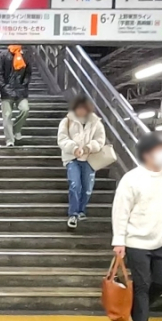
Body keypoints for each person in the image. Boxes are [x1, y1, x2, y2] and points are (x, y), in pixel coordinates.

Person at [112, 133, 162, 321]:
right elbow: (121, 211)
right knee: (142, 285)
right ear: (148, 154)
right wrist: (119, 240)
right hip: (136, 241)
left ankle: (137, 308)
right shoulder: (132, 179)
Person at [57, 95, 106, 229]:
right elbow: (62, 139)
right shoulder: (67, 121)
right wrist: (73, 148)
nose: (81, 111)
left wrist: (88, 148)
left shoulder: (96, 122)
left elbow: (100, 140)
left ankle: (81, 210)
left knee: (87, 187)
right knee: (75, 185)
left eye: (83, 108)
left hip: (89, 159)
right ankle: (73, 214)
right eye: (78, 108)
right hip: (72, 158)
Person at [0, 45, 32, 147]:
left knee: (25, 109)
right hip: (7, 91)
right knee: (7, 115)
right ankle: (9, 139)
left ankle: (16, 129)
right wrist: (4, 86)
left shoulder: (24, 55)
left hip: (21, 90)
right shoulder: (3, 55)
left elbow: (28, 72)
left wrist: (24, 84)